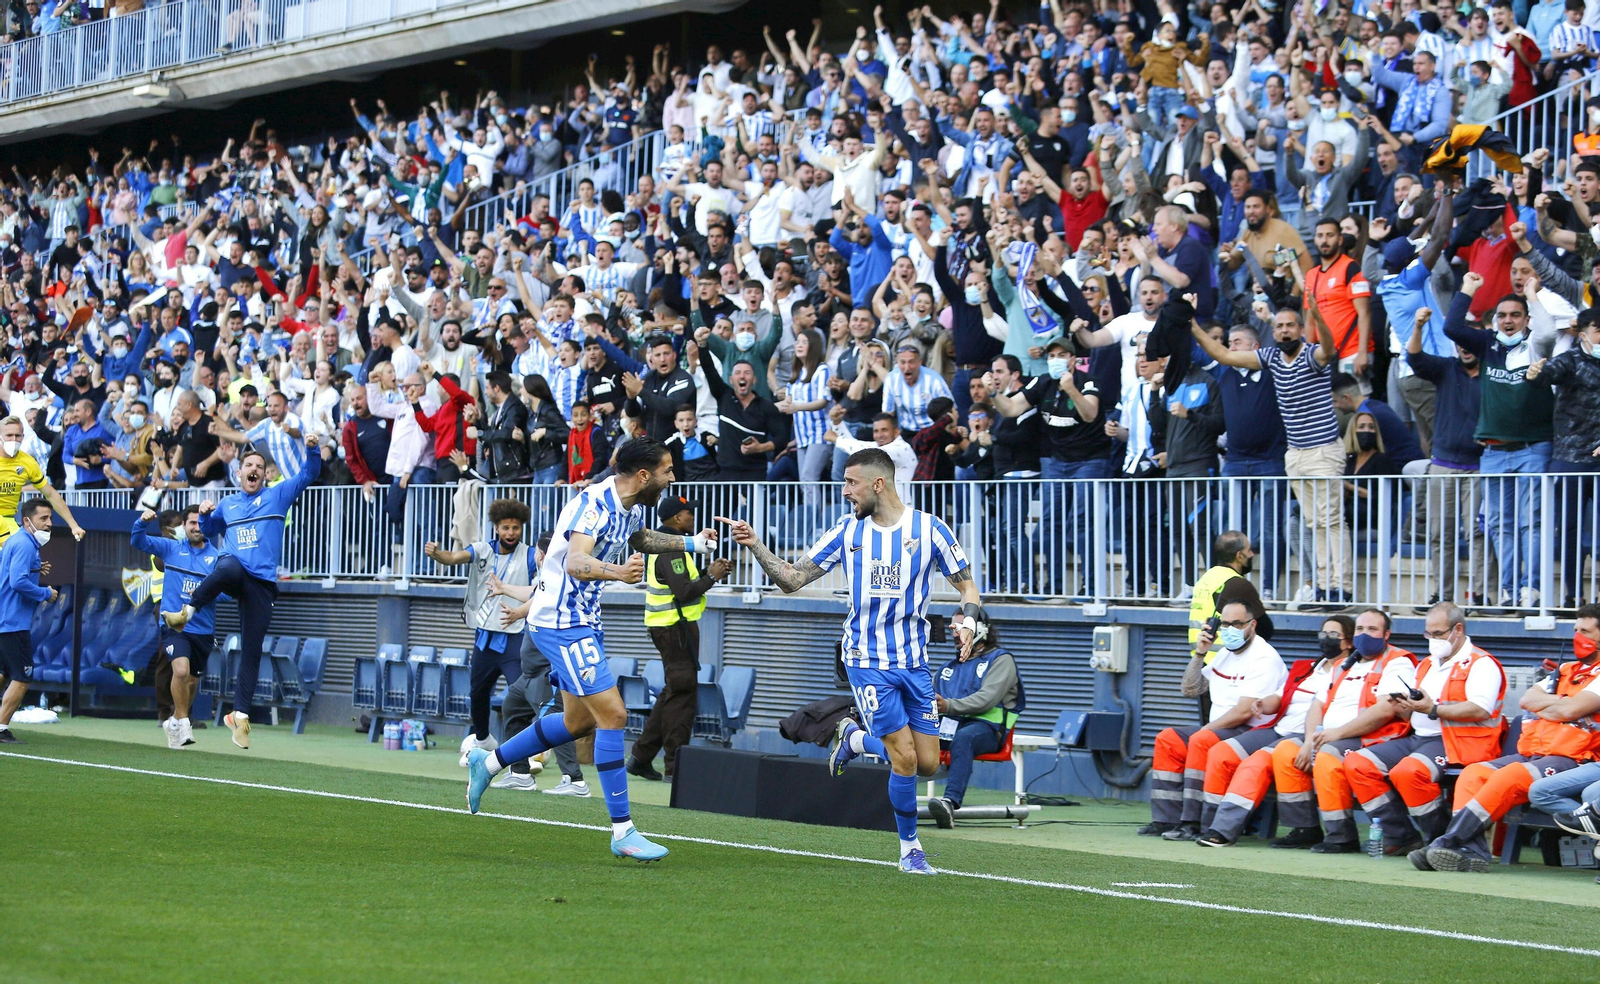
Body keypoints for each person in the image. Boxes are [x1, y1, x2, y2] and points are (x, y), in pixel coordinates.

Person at [718, 447, 982, 874]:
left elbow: (968, 588)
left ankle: (854, 738)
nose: (844, 492)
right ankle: (910, 850)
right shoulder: (847, 532)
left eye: (850, 483)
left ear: (878, 484)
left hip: (914, 661)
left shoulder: (929, 530)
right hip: (865, 659)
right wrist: (756, 545)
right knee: (906, 760)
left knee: (929, 762)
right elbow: (792, 579)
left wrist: (968, 623)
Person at [465, 437, 719, 861]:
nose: (672, 476)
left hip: (583, 620)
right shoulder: (593, 505)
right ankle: (623, 831)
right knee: (613, 714)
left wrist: (691, 543)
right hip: (562, 623)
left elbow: (638, 540)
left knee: (578, 721)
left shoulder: (633, 504)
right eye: (667, 470)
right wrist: (618, 572)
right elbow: (575, 563)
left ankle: (488, 764)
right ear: (644, 475)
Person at [165, 437, 324, 750]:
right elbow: (209, 532)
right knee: (228, 566)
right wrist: (208, 514)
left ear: (265, 476)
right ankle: (188, 611)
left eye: (259, 467)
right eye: (248, 465)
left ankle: (239, 717)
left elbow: (309, 473)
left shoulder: (277, 495)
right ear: (238, 474)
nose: (254, 470)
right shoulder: (229, 504)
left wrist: (312, 448)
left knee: (252, 650)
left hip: (261, 583)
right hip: (234, 571)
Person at [1417, 604, 1600, 873]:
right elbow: (1528, 700)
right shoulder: (1565, 669)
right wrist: (1562, 703)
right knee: (1473, 773)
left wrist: (1556, 705)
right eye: (1575, 629)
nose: (1577, 636)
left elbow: (1570, 710)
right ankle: (1474, 853)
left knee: (1509, 777)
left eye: (1585, 631)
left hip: (1572, 758)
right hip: (1533, 751)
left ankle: (1448, 841)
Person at [1192, 300, 1350, 608]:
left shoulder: (1310, 354)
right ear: (1273, 332)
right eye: (1279, 326)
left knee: (1330, 520)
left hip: (1323, 450)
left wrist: (1319, 317)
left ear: (1301, 329)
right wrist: (1193, 326)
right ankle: (1323, 587)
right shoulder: (1272, 357)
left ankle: (1340, 588)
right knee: (1313, 522)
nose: (1284, 330)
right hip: (1295, 454)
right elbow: (1223, 354)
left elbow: (1328, 350)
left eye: (1290, 325)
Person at [1344, 603, 1506, 857]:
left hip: (1458, 740)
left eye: (1438, 634)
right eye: (1428, 634)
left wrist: (1432, 708)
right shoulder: (1427, 664)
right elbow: (1420, 707)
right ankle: (1400, 836)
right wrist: (1405, 706)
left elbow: (1479, 709)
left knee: (1409, 772)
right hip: (1418, 736)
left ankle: (1439, 840)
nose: (1432, 639)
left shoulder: (1481, 663)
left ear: (1458, 629)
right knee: (1357, 763)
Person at [1267, 608, 1417, 852]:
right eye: (1360, 629)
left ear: (1386, 634)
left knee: (1328, 755)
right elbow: (1317, 705)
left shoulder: (1397, 662)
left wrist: (1334, 735)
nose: (1364, 634)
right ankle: (1304, 828)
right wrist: (1308, 741)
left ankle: (1341, 836)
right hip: (1331, 735)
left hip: (1374, 737)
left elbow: (1386, 709)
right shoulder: (1344, 665)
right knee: (1286, 751)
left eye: (1372, 629)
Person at [1193, 617, 1345, 847]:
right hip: (1277, 728)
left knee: (1254, 765)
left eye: (1334, 634)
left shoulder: (1348, 672)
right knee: (1222, 752)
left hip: (1305, 735)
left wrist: (1311, 741)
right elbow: (1282, 696)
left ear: (1349, 642)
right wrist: (1265, 703)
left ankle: (1222, 830)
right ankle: (1206, 824)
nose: (1326, 639)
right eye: (1323, 633)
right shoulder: (1307, 667)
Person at [1143, 600, 1288, 841]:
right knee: (1168, 739)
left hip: (1250, 733)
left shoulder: (1264, 658)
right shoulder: (1223, 653)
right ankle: (1165, 819)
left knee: (1201, 740)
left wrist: (1205, 731)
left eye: (1236, 624)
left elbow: (1244, 712)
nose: (1229, 630)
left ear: (1252, 625)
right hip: (1219, 729)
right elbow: (1190, 689)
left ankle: (1192, 822)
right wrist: (1200, 652)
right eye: (1225, 624)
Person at [423, 499, 538, 767]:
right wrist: (437, 554)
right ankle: (483, 740)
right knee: (478, 692)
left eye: (516, 528)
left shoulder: (531, 555)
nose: (511, 533)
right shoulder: (482, 549)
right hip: (485, 637)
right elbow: (453, 558)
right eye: (506, 527)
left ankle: (526, 750)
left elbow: (540, 587)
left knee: (520, 695)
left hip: (515, 636)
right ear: (496, 528)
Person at [627, 495, 733, 781]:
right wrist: (711, 576)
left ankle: (641, 756)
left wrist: (709, 573)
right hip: (674, 628)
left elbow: (683, 584)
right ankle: (676, 766)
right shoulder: (670, 549)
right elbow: (684, 591)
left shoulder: (672, 545)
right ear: (676, 518)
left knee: (675, 691)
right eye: (688, 513)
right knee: (683, 696)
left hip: (674, 627)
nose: (692, 517)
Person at [494, 532, 588, 794]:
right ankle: (520, 773)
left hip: (546, 674)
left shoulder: (559, 580)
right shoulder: (545, 580)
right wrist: (503, 589)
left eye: (539, 551)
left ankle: (575, 780)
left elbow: (536, 599)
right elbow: (531, 593)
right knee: (512, 709)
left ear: (543, 555)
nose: (536, 555)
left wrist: (516, 613)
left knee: (554, 723)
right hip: (528, 674)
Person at [132, 504, 222, 751]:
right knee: (180, 672)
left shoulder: (217, 558)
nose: (196, 527)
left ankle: (173, 721)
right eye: (192, 523)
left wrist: (205, 593)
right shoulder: (170, 547)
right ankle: (183, 723)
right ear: (184, 526)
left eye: (200, 523)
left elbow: (228, 594)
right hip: (174, 625)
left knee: (191, 682)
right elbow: (137, 540)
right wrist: (142, 522)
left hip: (203, 630)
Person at [926, 610, 1023, 828]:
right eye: (952, 628)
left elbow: (986, 699)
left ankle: (949, 803)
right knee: (906, 734)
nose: (953, 633)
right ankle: (888, 795)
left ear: (979, 630)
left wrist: (948, 705)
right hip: (948, 727)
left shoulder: (1001, 660)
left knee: (964, 738)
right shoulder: (947, 668)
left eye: (959, 628)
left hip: (987, 729)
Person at [0, 499, 57, 743]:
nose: (49, 524)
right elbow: (17, 582)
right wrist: (46, 593)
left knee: (3, 673)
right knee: (22, 677)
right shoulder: (24, 544)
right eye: (43, 518)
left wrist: (35, 568)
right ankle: (1, 728)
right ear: (27, 521)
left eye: (50, 518)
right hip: (13, 622)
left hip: (4, 619)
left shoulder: (21, 543)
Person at [0, 416, 84, 546]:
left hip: (8, 519)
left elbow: (50, 494)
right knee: (15, 551)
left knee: (26, 554)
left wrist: (73, 525)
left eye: (17, 436)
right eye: (9, 435)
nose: (14, 440)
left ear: (23, 437)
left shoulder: (28, 462)